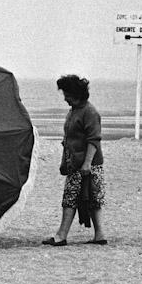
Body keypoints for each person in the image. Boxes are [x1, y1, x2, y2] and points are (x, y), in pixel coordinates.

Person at [42, 75, 107, 246]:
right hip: (75, 163)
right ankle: (98, 235)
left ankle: (62, 236)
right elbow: (69, 139)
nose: (64, 98)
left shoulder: (90, 112)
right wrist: (64, 162)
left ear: (75, 93)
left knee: (82, 199)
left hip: (87, 164)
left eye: (66, 94)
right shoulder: (74, 111)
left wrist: (87, 164)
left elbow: (94, 140)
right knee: (89, 199)